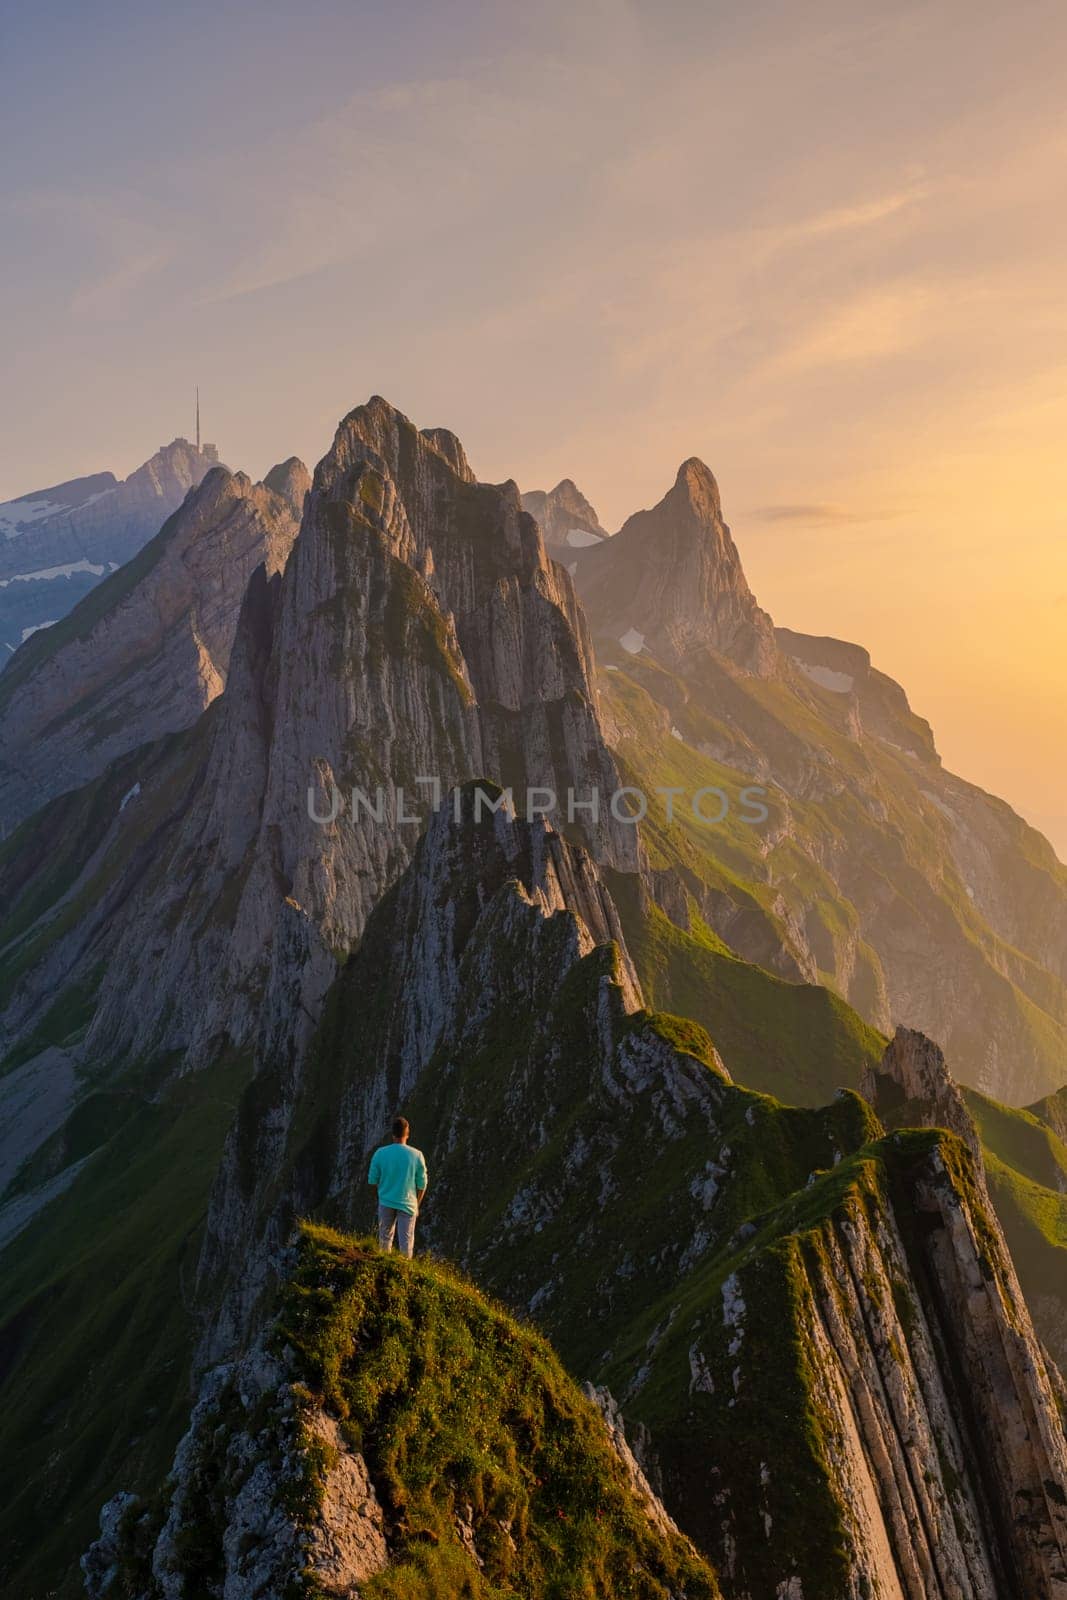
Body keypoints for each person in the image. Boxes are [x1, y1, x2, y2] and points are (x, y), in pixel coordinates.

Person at [368, 1116, 428, 1258]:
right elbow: (422, 1184)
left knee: (384, 1241)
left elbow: (372, 1180)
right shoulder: (417, 1155)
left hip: (386, 1201)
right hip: (408, 1204)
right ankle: (403, 1276)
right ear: (407, 1133)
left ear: (392, 1134)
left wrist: (380, 1197)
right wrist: (416, 1203)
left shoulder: (380, 1153)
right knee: (406, 1245)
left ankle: (383, 1272)